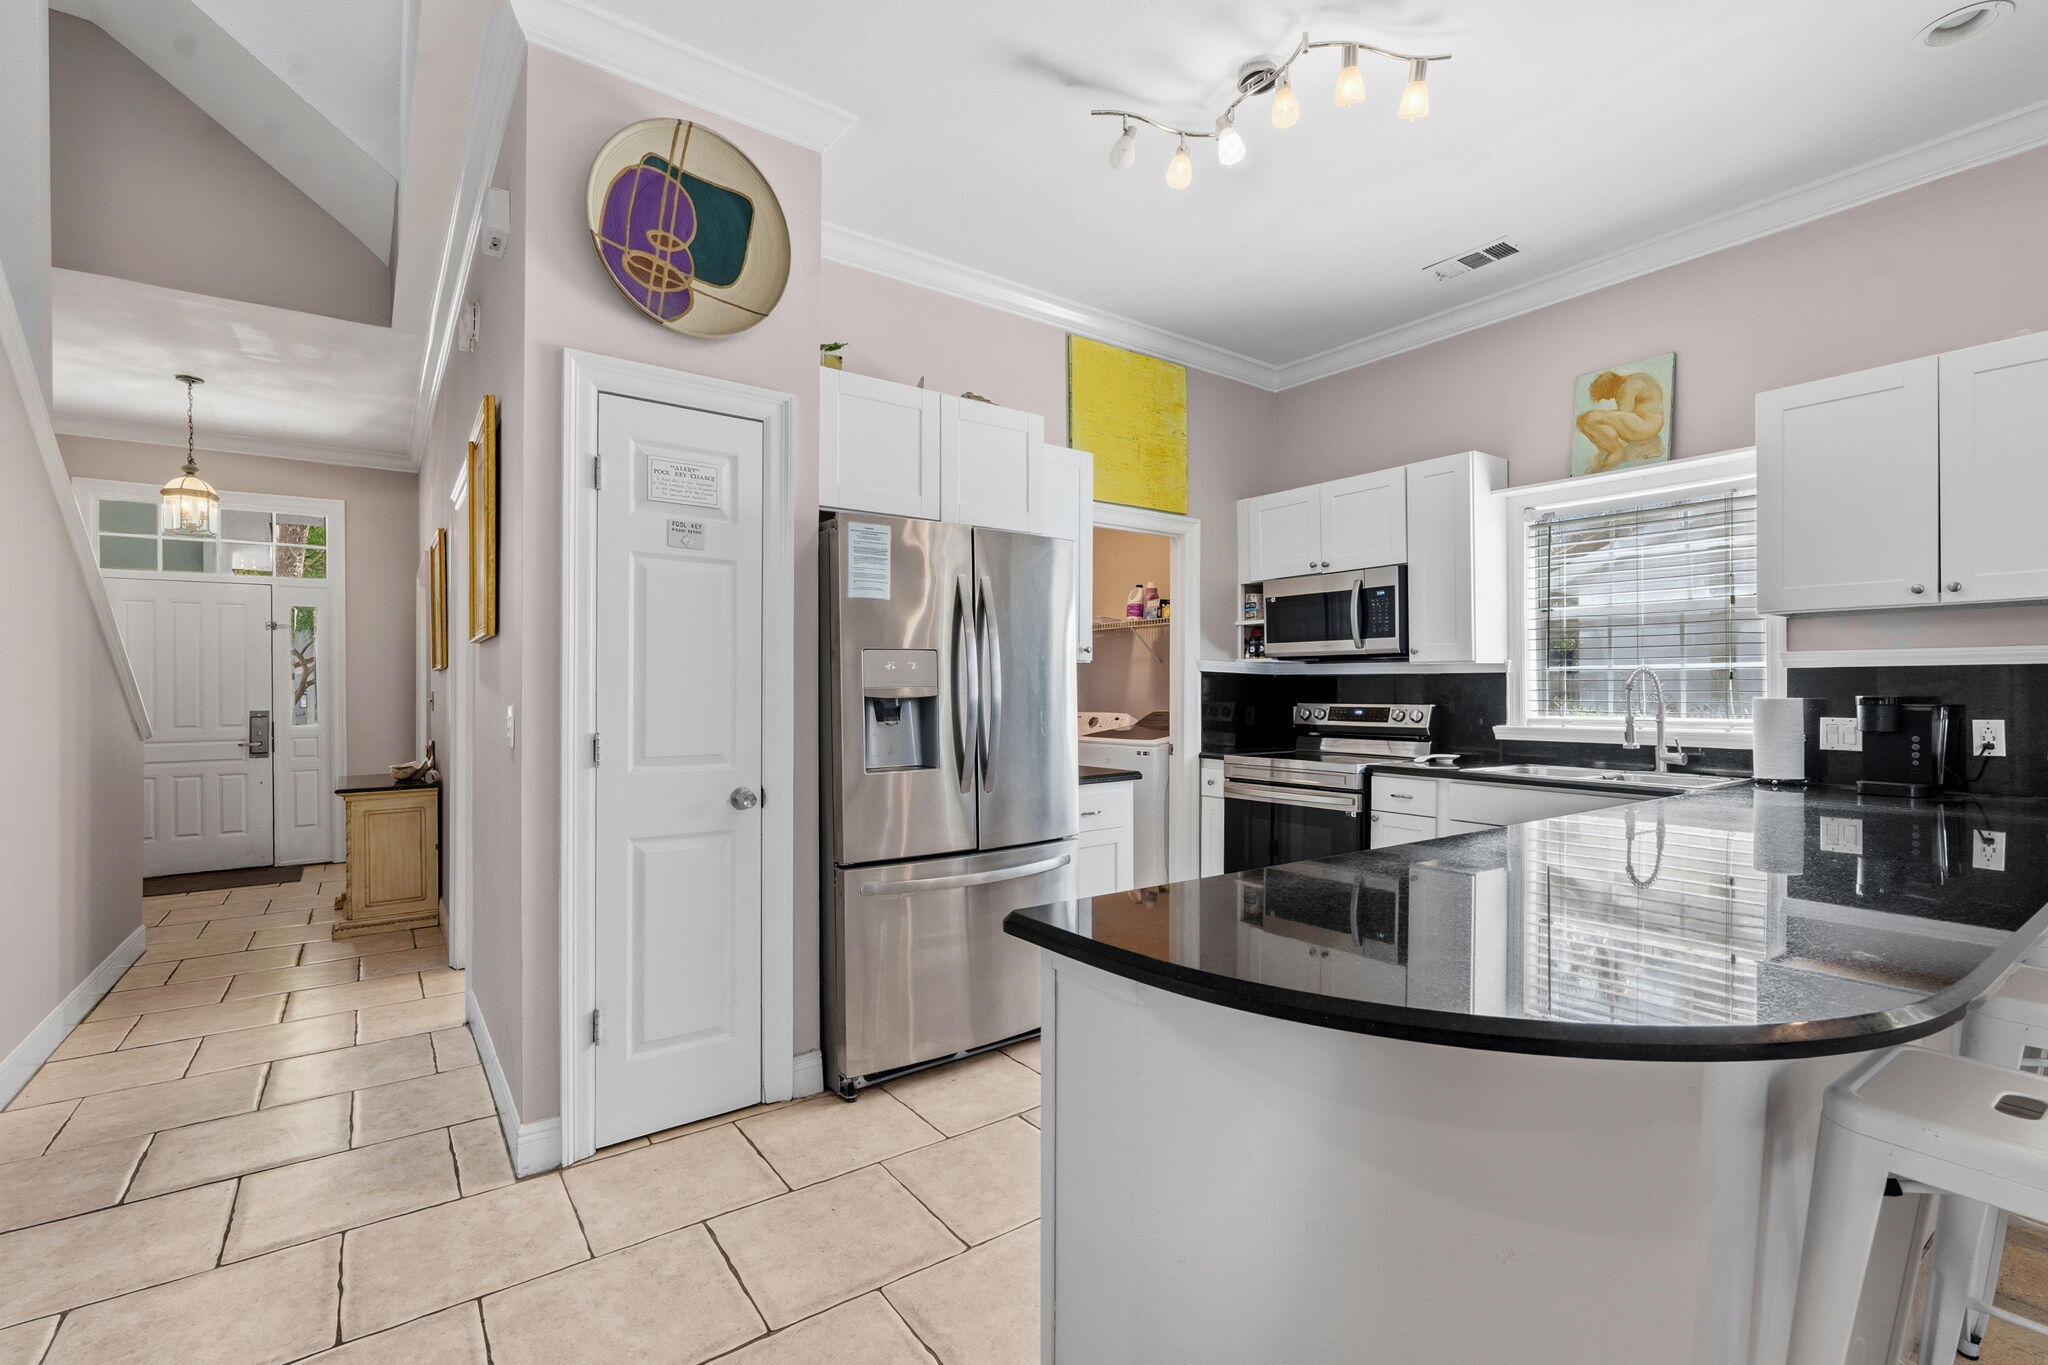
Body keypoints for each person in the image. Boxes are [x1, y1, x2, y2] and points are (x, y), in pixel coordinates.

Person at [1576, 368, 1667, 473]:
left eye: (1607, 396)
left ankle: (1616, 451)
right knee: (1594, 419)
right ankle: (1614, 449)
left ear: (1611, 388)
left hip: (1643, 426)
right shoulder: (1638, 378)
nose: (1610, 398)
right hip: (1649, 425)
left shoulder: (1626, 388)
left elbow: (1623, 414)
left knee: (1588, 418)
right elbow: (1621, 418)